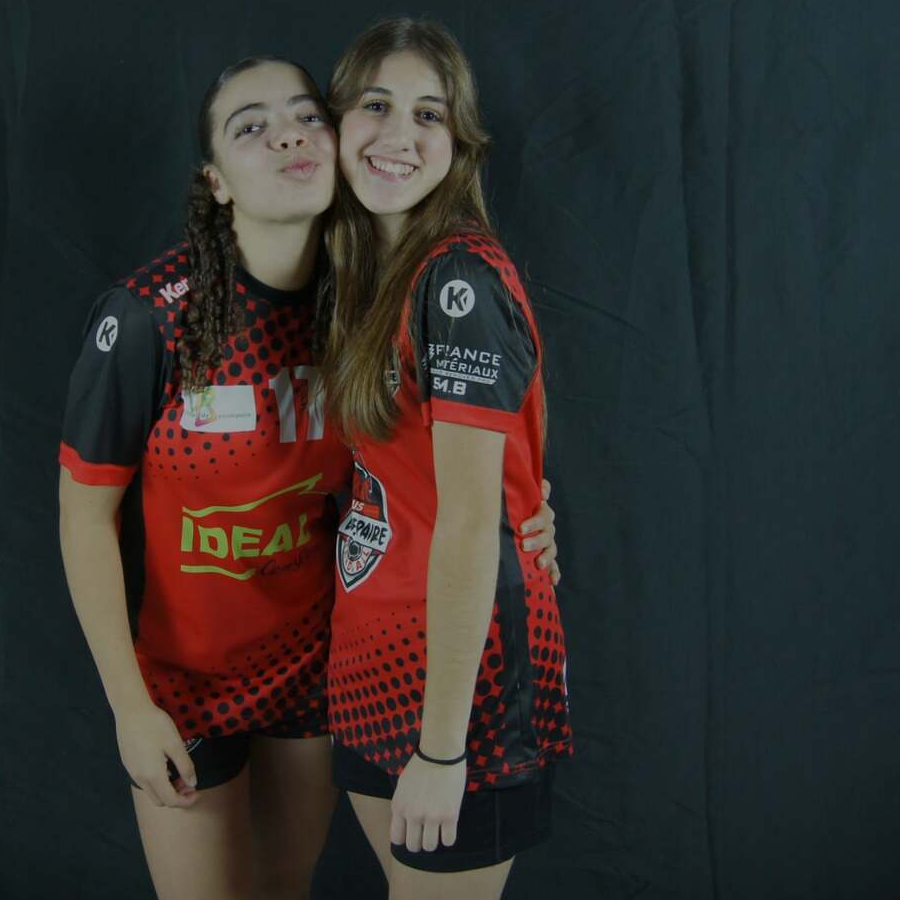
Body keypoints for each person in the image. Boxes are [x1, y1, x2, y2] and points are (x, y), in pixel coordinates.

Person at [56, 55, 562, 900]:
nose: (287, 134)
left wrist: (529, 514)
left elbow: (444, 458)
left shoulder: (367, 302)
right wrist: (128, 705)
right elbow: (83, 518)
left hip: (313, 673)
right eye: (251, 126)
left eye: (304, 115)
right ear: (216, 181)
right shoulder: (150, 316)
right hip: (184, 680)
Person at [321, 17, 573, 900]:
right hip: (369, 663)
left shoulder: (457, 280)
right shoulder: (364, 273)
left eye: (429, 114)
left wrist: (443, 748)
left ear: (459, 143)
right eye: (376, 105)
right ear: (337, 122)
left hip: (464, 689)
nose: (399, 134)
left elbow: (472, 522)